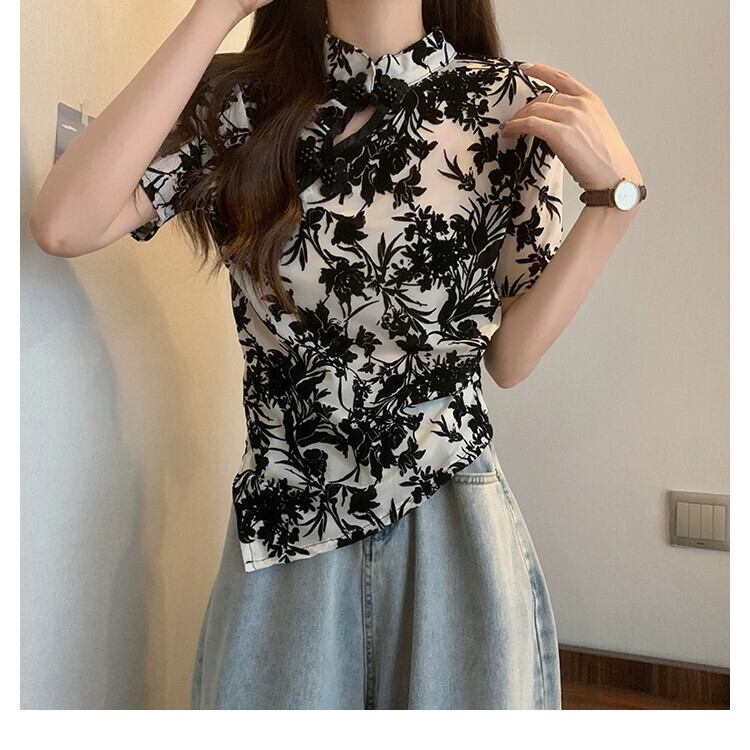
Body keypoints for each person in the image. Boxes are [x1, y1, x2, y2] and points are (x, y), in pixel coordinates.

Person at [29, 0, 646, 710]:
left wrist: (614, 203)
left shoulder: (509, 105)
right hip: (286, 520)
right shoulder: (240, 102)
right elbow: (64, 224)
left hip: (451, 517)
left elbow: (510, 359)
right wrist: (215, 12)